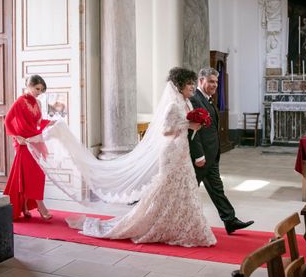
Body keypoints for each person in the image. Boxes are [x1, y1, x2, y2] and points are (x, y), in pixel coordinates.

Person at [68, 67, 216, 247]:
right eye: (189, 84)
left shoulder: (188, 104)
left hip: (183, 151)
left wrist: (193, 125)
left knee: (185, 188)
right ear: (179, 85)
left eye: (193, 83)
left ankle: (183, 225)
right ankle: (156, 223)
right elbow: (166, 131)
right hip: (171, 151)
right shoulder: (173, 106)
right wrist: (188, 125)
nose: (192, 87)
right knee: (167, 188)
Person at [190, 67, 254, 234]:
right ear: (201, 80)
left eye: (216, 82)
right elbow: (193, 131)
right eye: (211, 81)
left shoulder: (208, 99)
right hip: (201, 157)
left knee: (217, 190)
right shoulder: (195, 99)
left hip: (211, 156)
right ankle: (177, 220)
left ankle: (230, 220)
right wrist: (199, 155)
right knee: (188, 191)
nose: (215, 85)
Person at [3, 74, 54, 221]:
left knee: (36, 173)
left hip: (36, 141)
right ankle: (40, 206)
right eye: (37, 88)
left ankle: (25, 206)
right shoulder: (19, 102)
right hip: (24, 142)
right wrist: (16, 137)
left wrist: (48, 123)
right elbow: (7, 120)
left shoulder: (38, 103)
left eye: (41, 89)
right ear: (29, 85)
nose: (39, 92)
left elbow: (37, 122)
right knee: (31, 174)